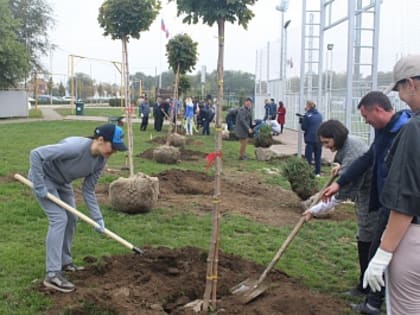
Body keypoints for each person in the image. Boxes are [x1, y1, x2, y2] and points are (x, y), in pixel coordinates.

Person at [322, 91, 411, 315]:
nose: (365, 121)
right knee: (375, 251)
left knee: (393, 257)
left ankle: (380, 302)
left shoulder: (405, 130)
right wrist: (339, 183)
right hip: (385, 201)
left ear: (377, 110)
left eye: (365, 116)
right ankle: (372, 301)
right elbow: (367, 159)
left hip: (403, 205)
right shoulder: (382, 132)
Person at [28, 123, 127, 293]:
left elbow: (88, 190)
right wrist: (38, 185)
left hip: (63, 182)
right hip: (44, 178)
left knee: (72, 218)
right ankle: (52, 274)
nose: (114, 152)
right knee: (59, 219)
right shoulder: (74, 148)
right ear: (101, 140)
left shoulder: (100, 162)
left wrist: (97, 218)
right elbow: (36, 154)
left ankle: (65, 262)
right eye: (113, 147)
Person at [362, 55, 420, 315]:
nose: (401, 98)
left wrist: (384, 253)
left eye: (400, 91)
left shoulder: (413, 130)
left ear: (411, 83)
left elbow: (405, 198)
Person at [303, 119, 378, 297]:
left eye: (327, 142)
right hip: (367, 194)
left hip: (373, 199)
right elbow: (345, 163)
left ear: (335, 137)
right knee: (366, 236)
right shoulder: (349, 143)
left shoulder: (353, 151)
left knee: (366, 238)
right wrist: (340, 166)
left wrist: (314, 210)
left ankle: (366, 287)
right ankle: (368, 283)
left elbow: (340, 195)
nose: (326, 147)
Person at [300, 100, 323, 176]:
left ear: (308, 106)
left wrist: (302, 121)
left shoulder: (307, 115)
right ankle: (318, 172)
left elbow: (304, 127)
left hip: (310, 138)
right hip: (319, 139)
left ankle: (307, 172)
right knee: (318, 157)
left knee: (308, 157)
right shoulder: (320, 115)